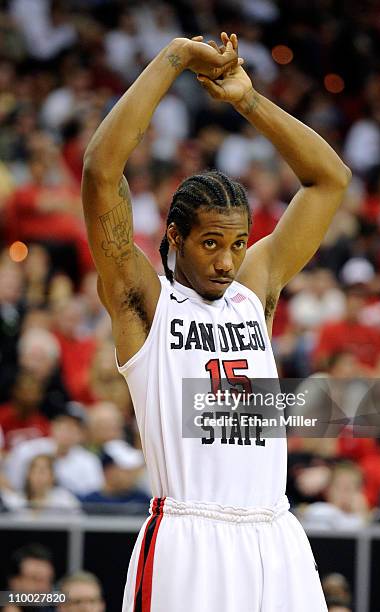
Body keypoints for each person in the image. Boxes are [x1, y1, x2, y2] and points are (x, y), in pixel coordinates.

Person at [81, 31, 351, 612]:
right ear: (174, 237)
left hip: (276, 534)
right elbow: (102, 171)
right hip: (189, 535)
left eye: (237, 244)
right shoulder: (144, 302)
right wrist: (176, 58)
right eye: (210, 243)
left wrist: (247, 100)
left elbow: (330, 181)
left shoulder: (254, 292)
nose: (226, 261)